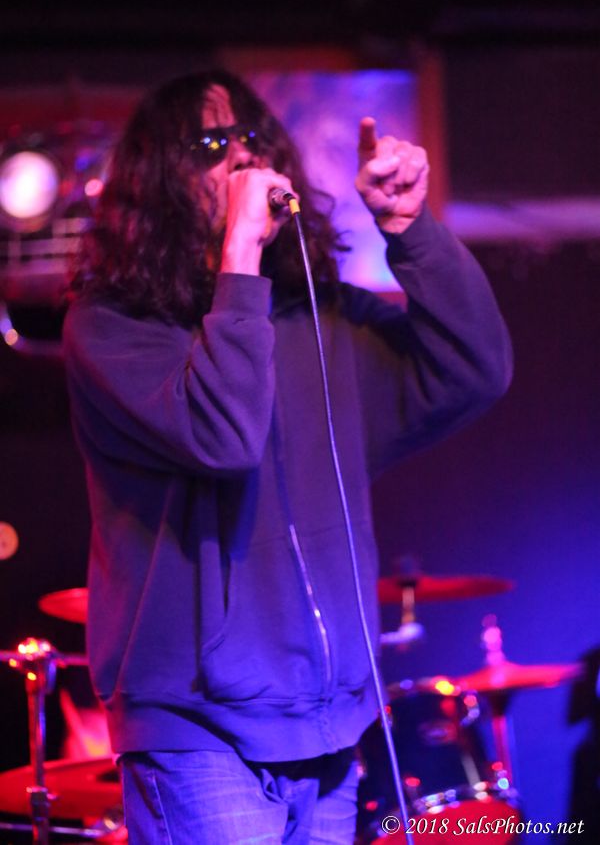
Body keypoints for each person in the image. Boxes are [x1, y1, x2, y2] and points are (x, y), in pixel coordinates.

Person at [63, 69, 512, 844]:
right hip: (198, 736)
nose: (243, 155)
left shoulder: (317, 314)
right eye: (212, 144)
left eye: (253, 138)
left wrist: (411, 230)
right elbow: (223, 435)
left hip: (330, 732)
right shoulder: (112, 327)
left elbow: (475, 370)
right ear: (156, 178)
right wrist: (237, 255)